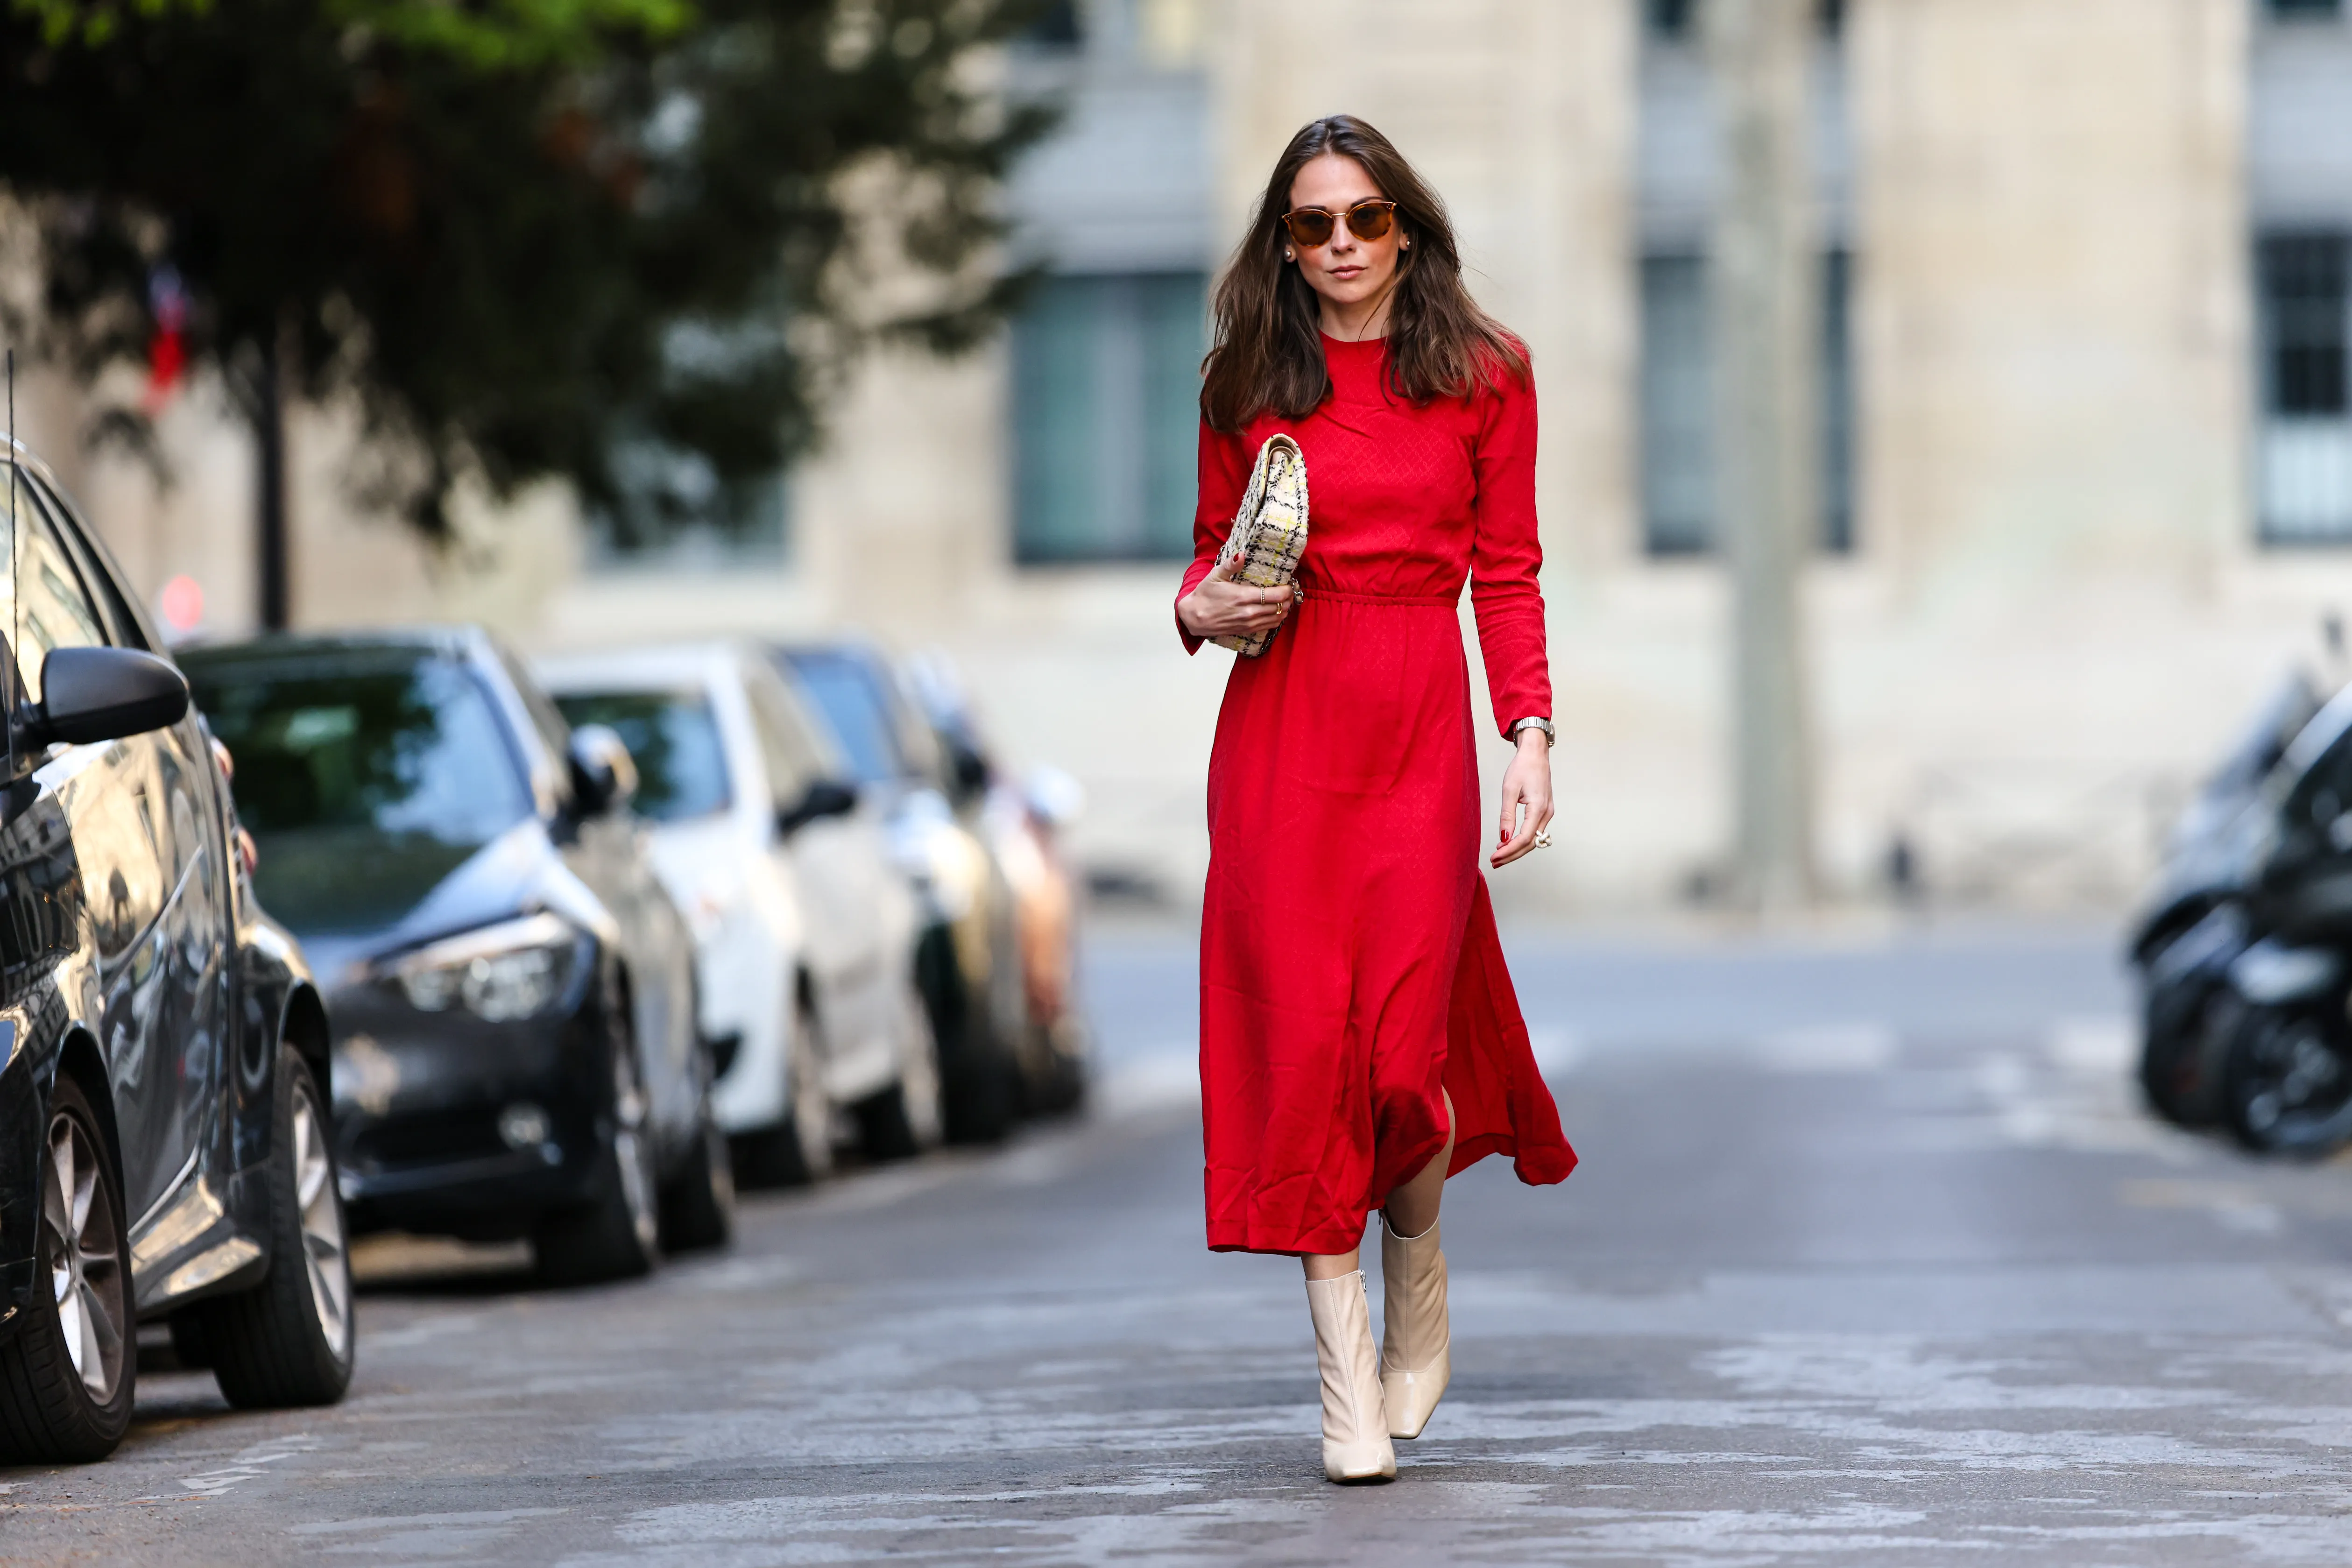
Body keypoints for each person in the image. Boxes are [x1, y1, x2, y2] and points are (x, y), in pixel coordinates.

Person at [1175, 114, 1578, 1484]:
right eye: (1313, 223)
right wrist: (1202, 608)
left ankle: (1418, 1261)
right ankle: (1344, 1379)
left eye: (1364, 217)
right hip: (1281, 731)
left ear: (1406, 225)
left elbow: (1508, 569)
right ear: (1283, 243)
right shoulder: (1245, 381)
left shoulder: (1485, 374)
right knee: (1307, 1057)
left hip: (1415, 726)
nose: (1341, 243)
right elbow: (1206, 564)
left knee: (1405, 1061)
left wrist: (1528, 734)